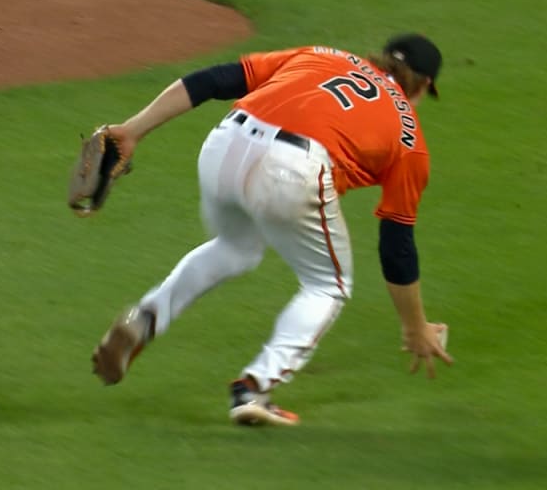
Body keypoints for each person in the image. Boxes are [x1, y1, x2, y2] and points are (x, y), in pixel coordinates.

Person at [90, 33, 453, 426]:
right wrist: (415, 328)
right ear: (421, 86)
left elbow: (213, 80)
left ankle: (145, 319)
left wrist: (133, 129)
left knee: (234, 247)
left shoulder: (322, 56)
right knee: (328, 284)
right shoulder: (409, 136)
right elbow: (396, 247)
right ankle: (254, 388)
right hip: (291, 168)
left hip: (224, 144)